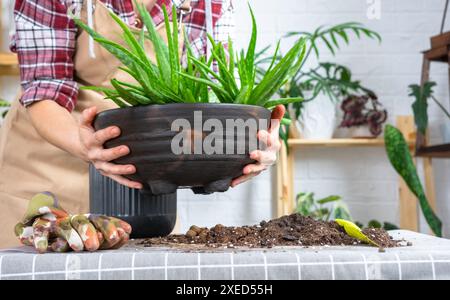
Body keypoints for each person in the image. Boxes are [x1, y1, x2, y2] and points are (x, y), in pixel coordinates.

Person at [0, 0, 284, 250]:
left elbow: (209, 100)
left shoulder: (205, 3)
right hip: (46, 167)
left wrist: (246, 143)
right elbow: (46, 89)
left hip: (142, 188)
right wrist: (83, 144)